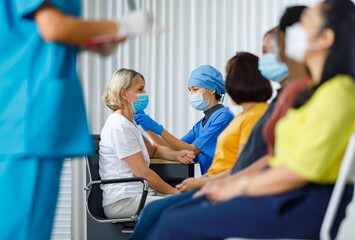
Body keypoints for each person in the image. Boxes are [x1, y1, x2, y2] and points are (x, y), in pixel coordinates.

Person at [147, 0, 355, 239]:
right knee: (169, 219)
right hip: (281, 192)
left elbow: (296, 172)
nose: (290, 35)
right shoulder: (315, 92)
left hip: (296, 202)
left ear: (325, 38)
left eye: (305, 24)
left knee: (172, 225)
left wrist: (236, 186)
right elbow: (275, 158)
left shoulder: (338, 94)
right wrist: (230, 183)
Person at [0, 1, 152, 239]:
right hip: (29, 117)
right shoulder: (118, 123)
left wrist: (90, 42)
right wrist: (120, 25)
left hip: (23, 110)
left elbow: (34, 37)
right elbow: (53, 27)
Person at [100, 68, 195, 218]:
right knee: (185, 206)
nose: (145, 93)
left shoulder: (129, 123)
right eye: (140, 89)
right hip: (123, 201)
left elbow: (154, 151)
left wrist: (177, 154)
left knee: (192, 204)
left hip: (139, 195)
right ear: (124, 94)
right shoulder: (119, 126)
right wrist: (175, 192)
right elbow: (143, 173)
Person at [176, 52, 271, 191]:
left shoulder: (248, 116)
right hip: (213, 182)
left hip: (223, 186)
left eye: (230, 76)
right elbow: (180, 148)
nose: (226, 84)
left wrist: (199, 183)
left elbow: (242, 167)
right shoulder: (241, 116)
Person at [134, 65, 235, 175]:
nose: (191, 94)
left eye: (195, 89)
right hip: (210, 182)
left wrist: (158, 128)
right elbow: (174, 151)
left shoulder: (224, 117)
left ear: (211, 90)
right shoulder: (201, 124)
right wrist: (148, 128)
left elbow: (192, 150)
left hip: (225, 182)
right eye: (190, 90)